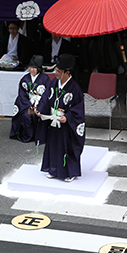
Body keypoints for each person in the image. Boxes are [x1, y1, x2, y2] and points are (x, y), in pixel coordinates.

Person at [35, 54, 85, 182]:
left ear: (67, 72)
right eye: (55, 70)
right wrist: (40, 109)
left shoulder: (75, 88)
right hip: (53, 120)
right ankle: (53, 169)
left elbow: (78, 109)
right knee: (53, 145)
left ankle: (70, 172)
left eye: (58, 71)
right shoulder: (53, 83)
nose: (55, 73)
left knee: (66, 146)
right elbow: (46, 97)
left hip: (66, 124)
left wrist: (67, 117)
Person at [10, 55, 51, 142]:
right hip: (28, 106)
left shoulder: (45, 79)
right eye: (30, 67)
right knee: (27, 115)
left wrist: (39, 108)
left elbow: (46, 95)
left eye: (34, 68)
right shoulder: (25, 79)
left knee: (35, 115)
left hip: (41, 105)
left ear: (39, 68)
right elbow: (22, 95)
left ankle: (36, 136)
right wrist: (31, 107)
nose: (31, 69)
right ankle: (27, 136)